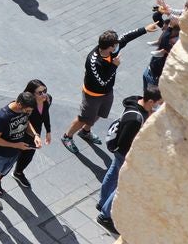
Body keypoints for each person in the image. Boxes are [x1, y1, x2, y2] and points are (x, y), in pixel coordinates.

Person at [60, 21, 159, 153]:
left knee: (99, 114)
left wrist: (145, 29)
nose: (118, 45)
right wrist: (114, 66)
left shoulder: (112, 49)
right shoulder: (94, 62)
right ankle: (67, 136)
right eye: (116, 44)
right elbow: (102, 82)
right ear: (110, 47)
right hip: (93, 95)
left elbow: (126, 37)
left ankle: (85, 131)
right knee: (84, 117)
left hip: (107, 93)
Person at [96, 87, 163, 235]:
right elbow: (125, 142)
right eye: (159, 103)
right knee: (122, 184)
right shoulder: (136, 119)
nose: (160, 106)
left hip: (120, 152)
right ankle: (105, 216)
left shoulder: (135, 102)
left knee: (112, 175)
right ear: (151, 101)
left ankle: (101, 203)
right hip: (125, 154)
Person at [8, 79, 52, 189]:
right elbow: (26, 121)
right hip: (22, 133)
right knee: (9, 159)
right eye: (40, 92)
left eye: (45, 90)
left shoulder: (47, 99)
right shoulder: (25, 105)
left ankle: (18, 173)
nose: (44, 94)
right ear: (32, 94)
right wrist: (35, 134)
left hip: (35, 134)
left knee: (28, 157)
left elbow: (45, 115)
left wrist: (48, 131)